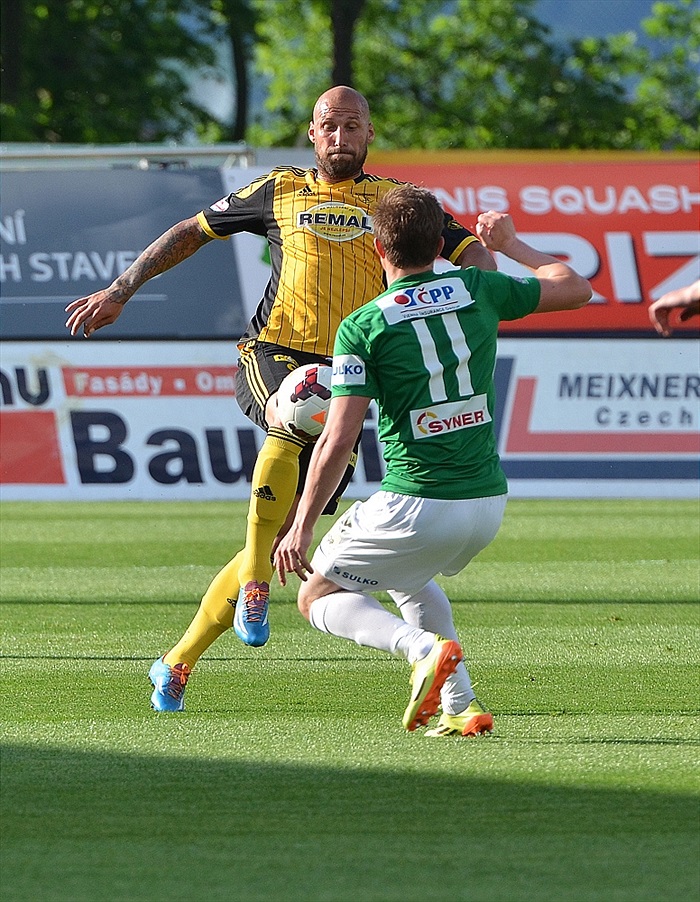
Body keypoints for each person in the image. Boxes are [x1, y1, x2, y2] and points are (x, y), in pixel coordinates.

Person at [64, 86, 495, 712]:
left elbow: (465, 250)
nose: (341, 138)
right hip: (276, 354)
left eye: (352, 127)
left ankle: (175, 661)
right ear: (312, 133)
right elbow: (193, 229)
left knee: (271, 537)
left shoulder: (395, 203)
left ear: (370, 133)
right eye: (330, 127)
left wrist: (483, 275)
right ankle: (259, 588)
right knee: (294, 412)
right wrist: (123, 287)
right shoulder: (280, 188)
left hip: (350, 373)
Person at [274, 185, 592, 736]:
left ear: (378, 247)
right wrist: (512, 245)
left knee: (317, 594)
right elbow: (575, 288)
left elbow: (339, 437)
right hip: (486, 504)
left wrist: (300, 526)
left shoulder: (364, 326)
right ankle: (460, 704)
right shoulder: (476, 289)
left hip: (417, 501)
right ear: (442, 242)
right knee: (406, 576)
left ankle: (418, 647)